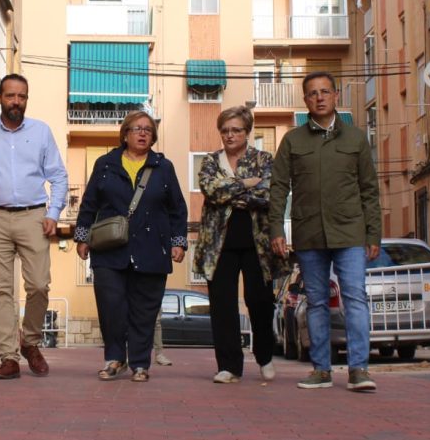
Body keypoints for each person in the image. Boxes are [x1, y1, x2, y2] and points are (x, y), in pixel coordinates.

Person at [267, 71, 381, 392]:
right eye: (313, 93)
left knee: (355, 298)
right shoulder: (292, 141)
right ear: (305, 100)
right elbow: (278, 188)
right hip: (309, 234)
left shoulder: (356, 139)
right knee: (316, 302)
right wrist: (277, 228)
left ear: (335, 96)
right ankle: (321, 370)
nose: (319, 97)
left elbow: (369, 190)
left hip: (350, 233)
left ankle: (359, 369)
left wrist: (373, 234)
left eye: (325, 92)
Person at [0, 74, 69, 380]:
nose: (16, 102)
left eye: (21, 97)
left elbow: (59, 176)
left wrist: (53, 212)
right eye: (10, 96)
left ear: (27, 99)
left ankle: (31, 342)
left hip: (33, 217)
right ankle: (8, 357)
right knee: (1, 290)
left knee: (39, 285)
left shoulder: (41, 132)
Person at [75, 111, 188, 383]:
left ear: (153, 137)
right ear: (125, 134)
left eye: (148, 130)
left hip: (151, 250)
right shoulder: (105, 164)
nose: (142, 133)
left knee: (144, 310)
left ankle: (139, 363)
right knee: (111, 307)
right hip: (110, 249)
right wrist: (82, 236)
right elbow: (89, 203)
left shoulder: (164, 167)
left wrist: (178, 241)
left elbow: (177, 209)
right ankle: (115, 359)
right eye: (137, 128)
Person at [194, 106, 278, 384]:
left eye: (236, 130)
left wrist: (230, 187)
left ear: (247, 131)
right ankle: (229, 366)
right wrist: (247, 184)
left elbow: (267, 194)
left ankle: (265, 356)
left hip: (257, 243)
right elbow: (211, 190)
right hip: (218, 245)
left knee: (260, 301)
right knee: (222, 306)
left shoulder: (264, 159)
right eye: (225, 130)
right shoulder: (209, 161)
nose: (230, 135)